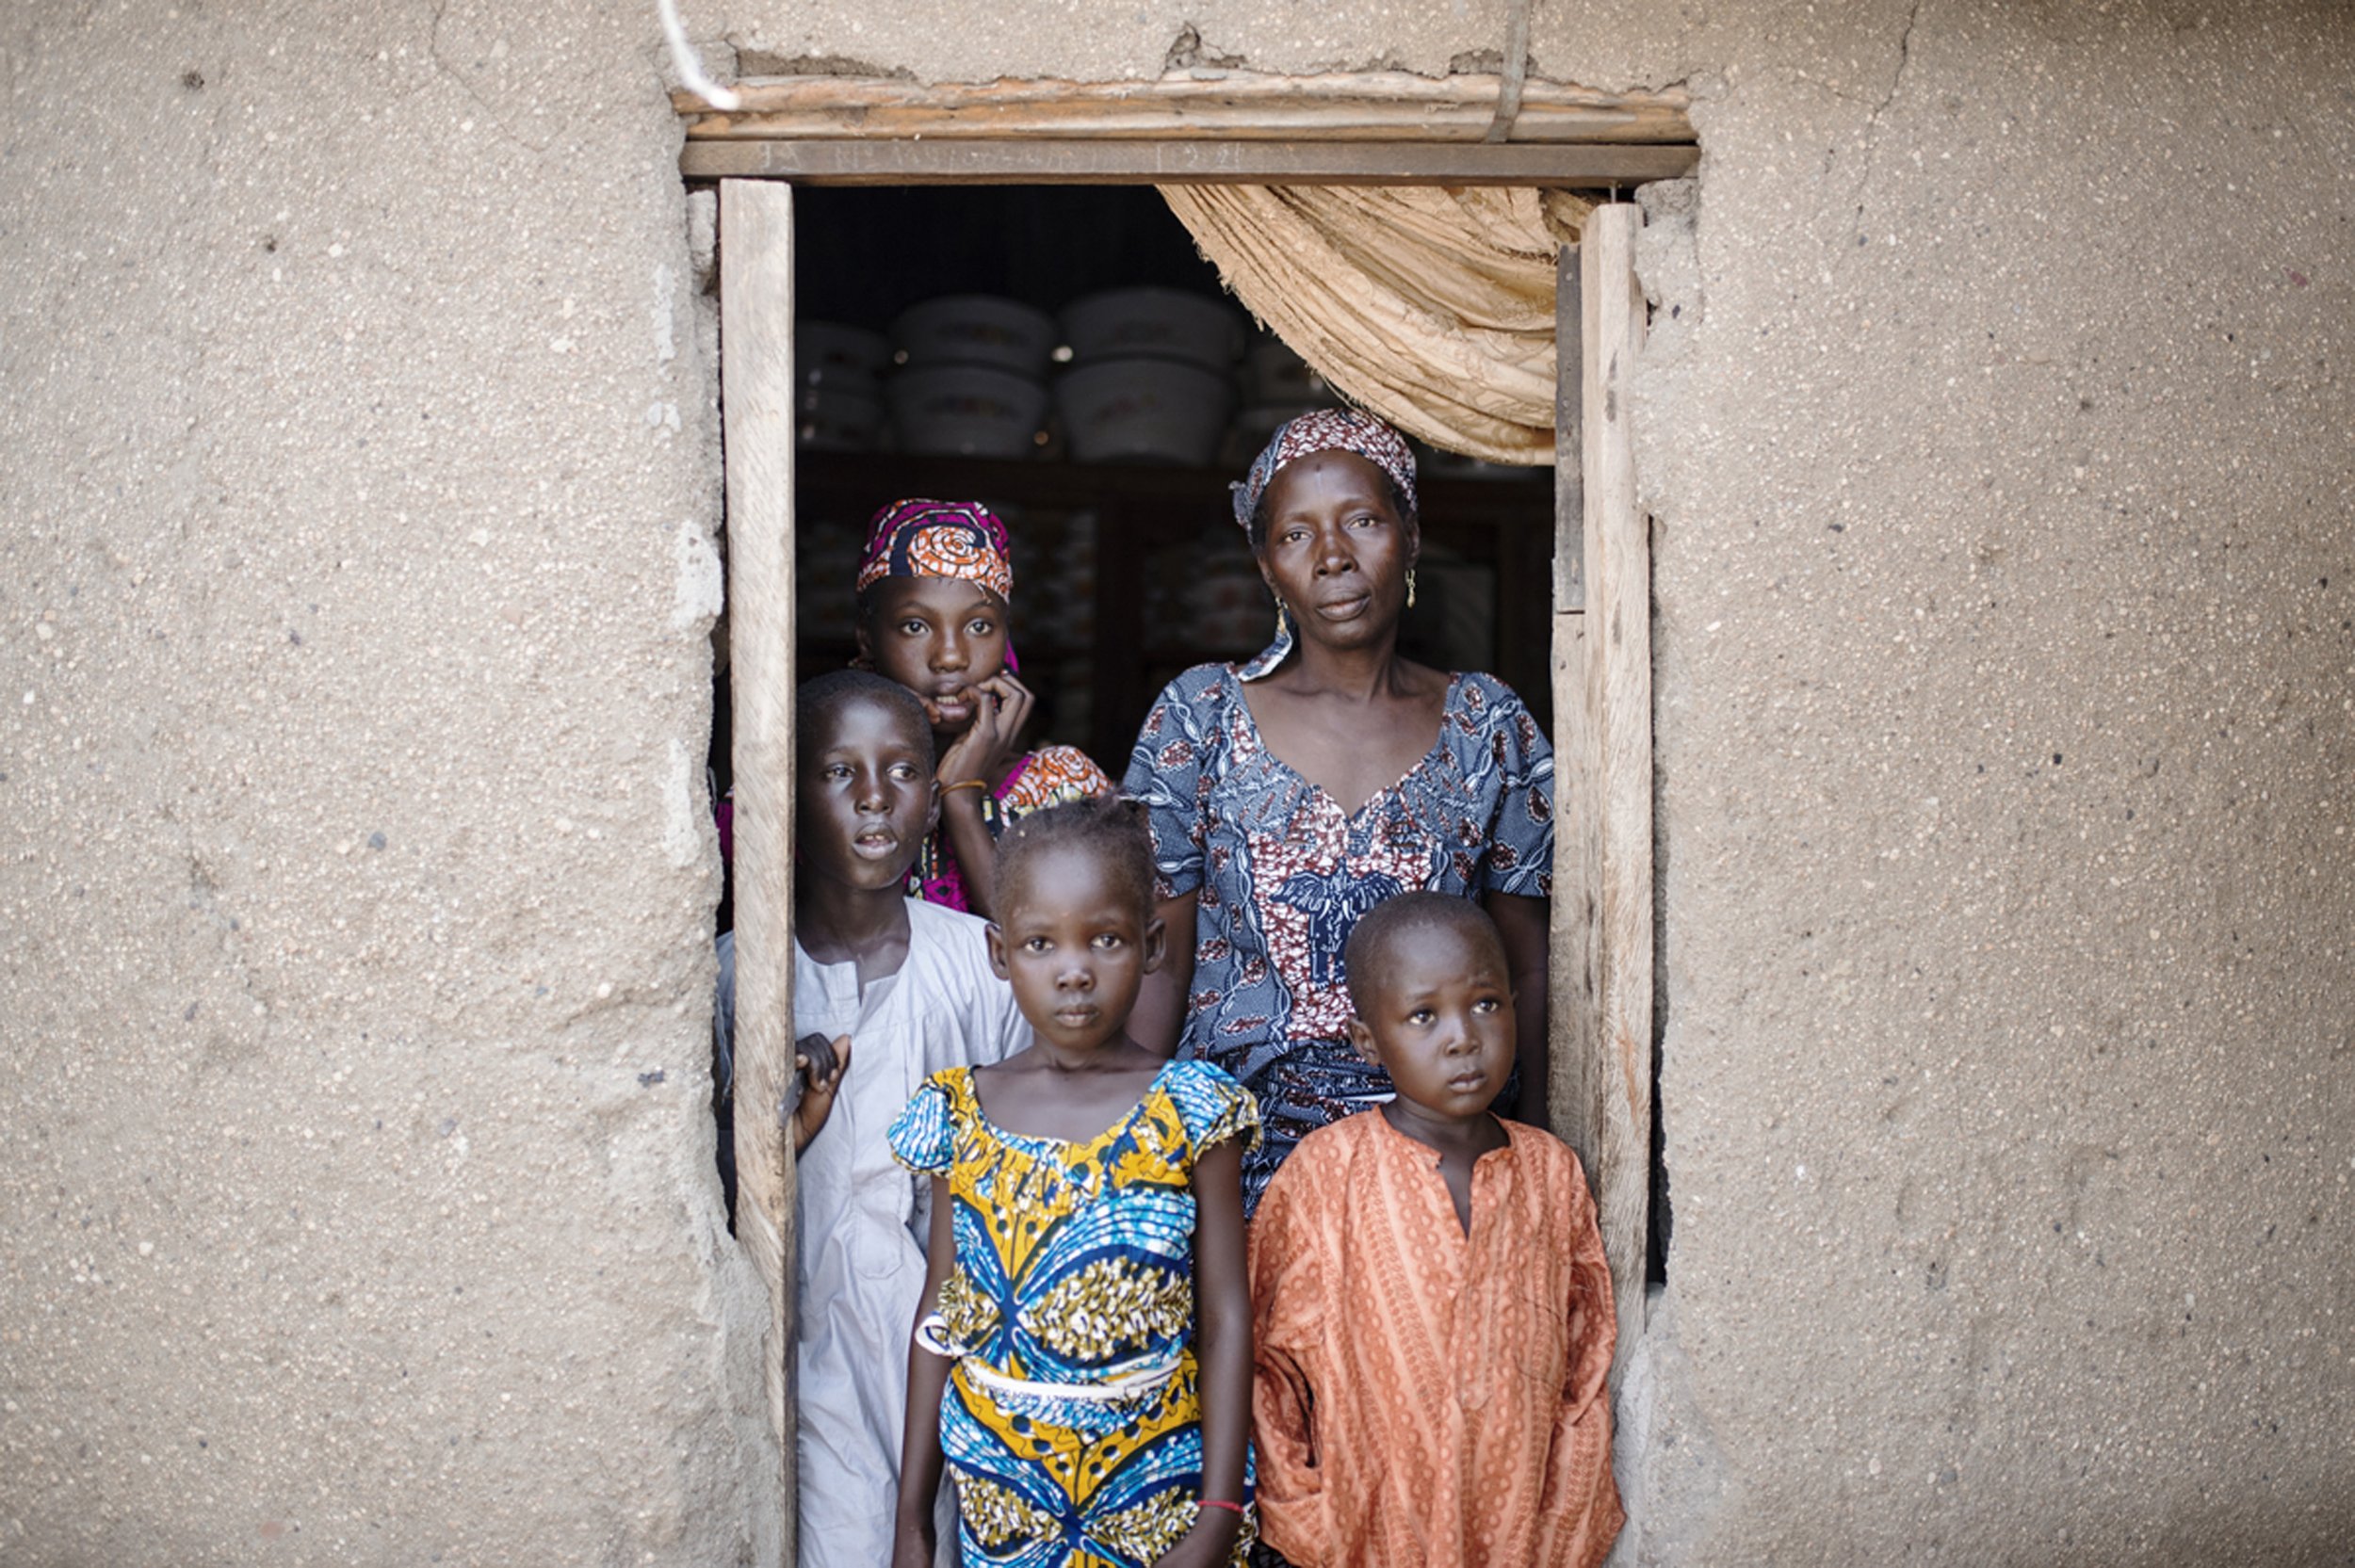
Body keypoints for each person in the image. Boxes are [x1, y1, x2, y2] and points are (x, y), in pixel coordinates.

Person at [1123, 410, 1554, 1213]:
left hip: (1438, 1162)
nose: (1333, 558)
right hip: (1237, 1164)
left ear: (1411, 536)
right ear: (1265, 564)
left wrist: (1533, 1155)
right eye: (1296, 535)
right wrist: (1136, 1164)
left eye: (1362, 520)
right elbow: (1160, 958)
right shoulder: (1199, 717)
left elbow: (1526, 962)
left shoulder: (1488, 726)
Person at [887, 798, 1259, 1568]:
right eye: (1039, 943)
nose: (1074, 970)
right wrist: (913, 1525)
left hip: (1156, 1494)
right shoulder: (961, 1110)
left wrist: (1219, 1514)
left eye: (1107, 938)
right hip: (1004, 1499)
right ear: (999, 953)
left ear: (1152, 945)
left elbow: (1224, 1316)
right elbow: (941, 1311)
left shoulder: (1192, 1110)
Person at [1248, 893, 1621, 1568]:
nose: (1462, 1036)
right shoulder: (1326, 1173)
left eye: (1485, 1003)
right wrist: (1304, 1510)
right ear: (1369, 1039)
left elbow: (1585, 1354)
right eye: (1424, 1015)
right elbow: (1265, 1363)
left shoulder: (1549, 1172)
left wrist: (1568, 1513)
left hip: (1523, 1538)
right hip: (1367, 1535)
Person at [787, 670, 1030, 1568]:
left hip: (957, 1364)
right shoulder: (740, 979)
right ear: (787, 788)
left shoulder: (982, 968)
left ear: (935, 796)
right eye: (838, 772)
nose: (874, 798)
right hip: (803, 1355)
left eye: (901, 771)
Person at [855, 497, 1112, 916]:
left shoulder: (1062, 787)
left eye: (979, 626)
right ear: (868, 638)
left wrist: (960, 800)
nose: (951, 656)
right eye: (915, 626)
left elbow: (1061, 960)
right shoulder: (825, 786)